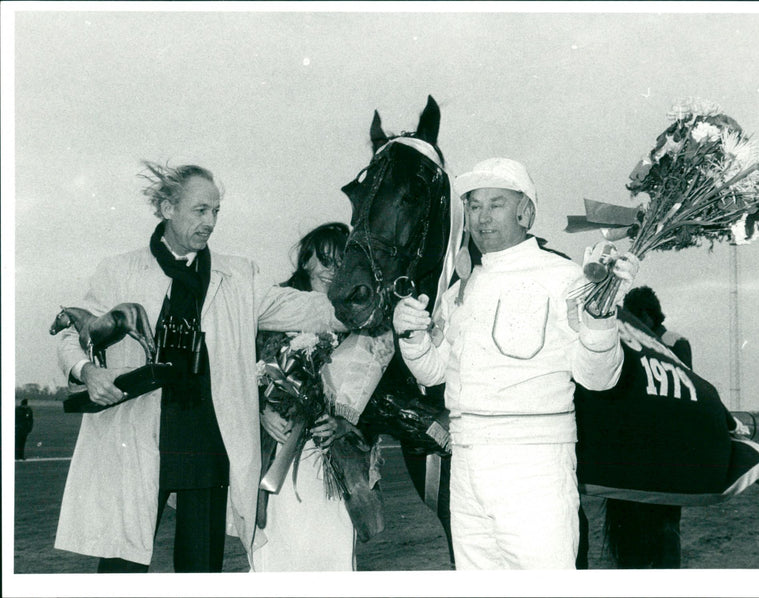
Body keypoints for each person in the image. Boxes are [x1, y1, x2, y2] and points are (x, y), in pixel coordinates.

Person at [54, 161, 344, 573]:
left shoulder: (239, 275)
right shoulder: (118, 270)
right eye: (200, 210)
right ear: (168, 208)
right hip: (137, 439)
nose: (210, 222)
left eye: (216, 211)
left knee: (201, 570)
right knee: (121, 569)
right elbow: (71, 335)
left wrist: (365, 304)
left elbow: (305, 309)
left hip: (208, 442)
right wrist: (87, 371)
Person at [392, 157, 639, 569]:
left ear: (525, 211)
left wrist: (600, 322)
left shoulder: (566, 278)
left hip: (533, 466)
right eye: (473, 206)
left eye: (496, 204)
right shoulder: (462, 287)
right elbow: (436, 373)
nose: (481, 217)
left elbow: (598, 379)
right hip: (466, 462)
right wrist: (412, 337)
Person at [251, 222, 394, 571]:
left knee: (331, 551)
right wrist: (260, 412)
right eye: (325, 261)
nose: (333, 271)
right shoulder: (273, 310)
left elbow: (376, 394)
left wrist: (345, 422)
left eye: (341, 263)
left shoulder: (363, 319)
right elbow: (241, 375)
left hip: (332, 459)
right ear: (305, 262)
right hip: (277, 453)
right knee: (278, 554)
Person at [604, 285, 689, 569]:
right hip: (631, 452)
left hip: (662, 455)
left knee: (664, 530)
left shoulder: (676, 343)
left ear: (649, 317)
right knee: (628, 532)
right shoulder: (625, 342)